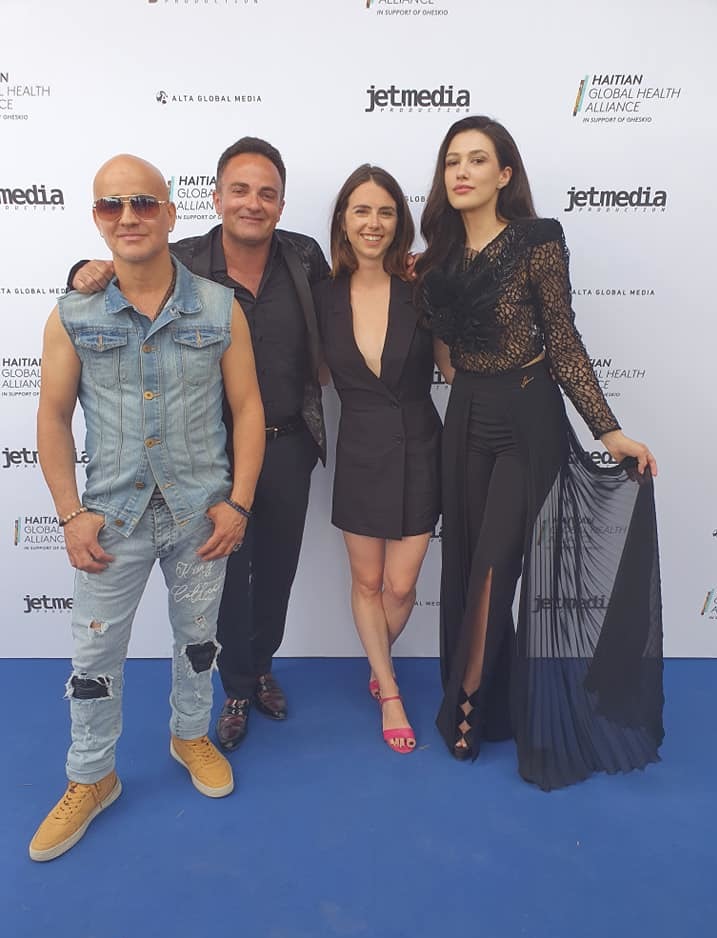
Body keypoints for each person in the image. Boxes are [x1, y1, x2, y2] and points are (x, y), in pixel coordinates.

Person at [29, 154, 266, 861]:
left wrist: (239, 504)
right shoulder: (73, 312)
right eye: (112, 205)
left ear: (169, 212)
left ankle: (190, 736)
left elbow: (249, 409)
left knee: (198, 641)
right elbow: (52, 417)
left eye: (142, 202)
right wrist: (69, 513)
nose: (127, 216)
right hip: (112, 519)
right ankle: (92, 777)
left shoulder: (219, 308)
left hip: (201, 514)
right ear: (96, 218)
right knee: (94, 653)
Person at [416, 117, 664, 789]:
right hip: (467, 416)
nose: (462, 171)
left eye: (477, 160)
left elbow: (563, 338)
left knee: (493, 568)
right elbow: (446, 352)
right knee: (465, 566)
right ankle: (490, 701)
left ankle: (466, 707)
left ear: (504, 175)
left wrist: (608, 430)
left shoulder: (537, 241)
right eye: (452, 161)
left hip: (528, 417)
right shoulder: (438, 263)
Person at [69, 137, 329, 751]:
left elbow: (349, 300)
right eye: (239, 190)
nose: (252, 203)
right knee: (223, 579)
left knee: (277, 573)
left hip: (287, 444)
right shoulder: (183, 257)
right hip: (203, 454)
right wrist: (80, 270)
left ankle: (260, 667)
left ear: (281, 203)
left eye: (266, 193)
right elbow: (119, 274)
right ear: (214, 198)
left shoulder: (304, 257)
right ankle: (233, 686)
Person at [314, 165, 441, 753]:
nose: (373, 222)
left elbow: (452, 368)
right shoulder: (321, 296)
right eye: (361, 210)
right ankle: (389, 690)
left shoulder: (423, 288)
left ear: (400, 222)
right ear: (344, 220)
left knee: (400, 583)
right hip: (360, 450)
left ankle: (376, 658)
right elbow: (312, 373)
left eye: (385, 212)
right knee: (366, 581)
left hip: (421, 445)